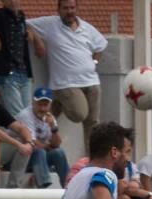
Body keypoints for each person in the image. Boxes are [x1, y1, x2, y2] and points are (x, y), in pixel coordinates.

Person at [28, 0, 107, 152]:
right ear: (58, 9)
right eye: (65, 8)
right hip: (65, 83)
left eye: (72, 8)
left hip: (91, 81)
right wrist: (37, 41)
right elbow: (24, 24)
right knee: (79, 114)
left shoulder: (86, 27)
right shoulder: (50, 24)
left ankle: (93, 160)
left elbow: (101, 45)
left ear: (77, 8)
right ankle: (58, 101)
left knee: (93, 124)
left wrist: (94, 61)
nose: (69, 11)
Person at [16, 87, 69, 189]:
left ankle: (68, 187)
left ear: (50, 105)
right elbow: (32, 142)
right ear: (33, 103)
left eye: (45, 105)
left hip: (39, 158)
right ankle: (43, 187)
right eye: (39, 104)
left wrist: (53, 128)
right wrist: (48, 146)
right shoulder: (26, 115)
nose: (43, 108)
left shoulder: (50, 118)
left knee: (59, 153)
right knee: (39, 151)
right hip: (21, 158)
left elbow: (57, 144)